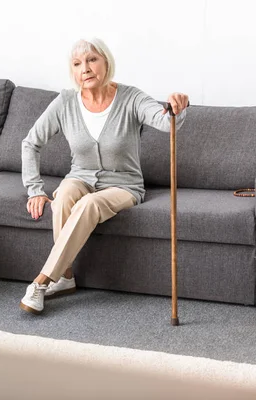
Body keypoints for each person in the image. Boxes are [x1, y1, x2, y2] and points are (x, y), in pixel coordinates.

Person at [19, 38, 189, 315]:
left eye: (91, 60)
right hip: (80, 177)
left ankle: (42, 280)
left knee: (88, 204)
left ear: (106, 63)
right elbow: (31, 143)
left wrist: (176, 107)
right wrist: (35, 189)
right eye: (77, 64)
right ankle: (66, 278)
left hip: (124, 184)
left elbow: (163, 120)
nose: (85, 68)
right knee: (62, 197)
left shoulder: (131, 97)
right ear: (72, 71)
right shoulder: (65, 102)